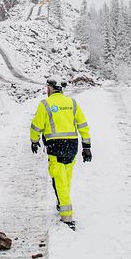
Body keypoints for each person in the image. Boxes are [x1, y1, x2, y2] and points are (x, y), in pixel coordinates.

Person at [29, 76, 92, 230]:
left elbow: (36, 125)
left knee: (60, 181)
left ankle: (67, 215)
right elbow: (83, 125)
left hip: (55, 147)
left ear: (50, 88)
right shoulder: (72, 103)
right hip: (71, 146)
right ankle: (61, 202)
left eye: (47, 88)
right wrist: (87, 147)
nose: (46, 91)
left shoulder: (45, 104)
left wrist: (34, 140)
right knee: (66, 178)